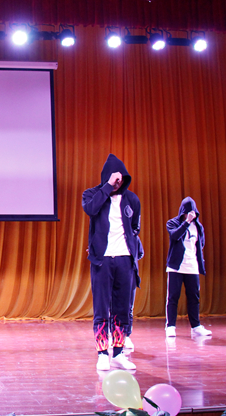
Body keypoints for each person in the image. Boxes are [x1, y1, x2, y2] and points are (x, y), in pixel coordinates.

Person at [82, 154, 141, 371]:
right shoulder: (92, 194)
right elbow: (90, 209)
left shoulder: (132, 199)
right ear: (107, 177)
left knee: (122, 309)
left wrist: (131, 250)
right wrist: (107, 187)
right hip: (102, 260)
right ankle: (102, 353)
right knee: (101, 308)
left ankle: (118, 353)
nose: (118, 183)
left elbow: (135, 227)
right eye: (114, 179)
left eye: (120, 179)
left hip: (125, 260)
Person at [165, 197, 212, 338]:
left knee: (194, 297)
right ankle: (170, 326)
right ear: (183, 212)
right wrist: (186, 222)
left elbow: (200, 243)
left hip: (192, 266)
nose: (191, 214)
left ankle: (196, 326)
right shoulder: (172, 223)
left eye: (193, 212)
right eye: (187, 212)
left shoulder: (198, 227)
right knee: (173, 297)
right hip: (176, 267)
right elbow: (175, 236)